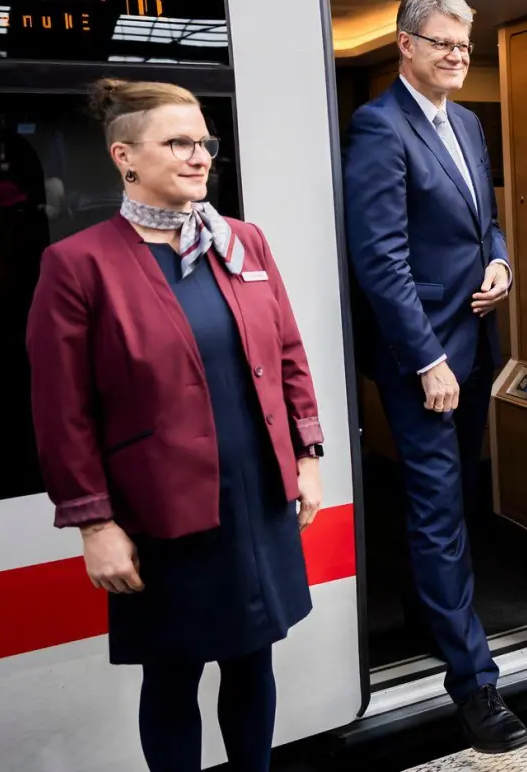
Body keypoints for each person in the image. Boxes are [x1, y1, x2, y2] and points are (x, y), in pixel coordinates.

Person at [26, 79, 325, 772]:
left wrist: (306, 455)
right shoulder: (78, 265)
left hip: (255, 495)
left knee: (254, 662)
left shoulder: (242, 242)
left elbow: (287, 353)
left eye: (203, 143)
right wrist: (94, 525)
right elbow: (60, 412)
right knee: (172, 674)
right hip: (163, 511)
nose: (199, 157)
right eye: (178, 143)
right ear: (124, 156)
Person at [341, 0, 527, 751]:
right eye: (443, 43)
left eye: (464, 45)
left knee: (457, 497)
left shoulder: (469, 126)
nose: (457, 57)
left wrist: (501, 262)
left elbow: (486, 222)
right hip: (425, 361)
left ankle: (431, 611)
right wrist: (425, 360)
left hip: (474, 345)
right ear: (405, 45)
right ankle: (474, 686)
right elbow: (378, 258)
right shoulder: (378, 128)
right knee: (439, 510)